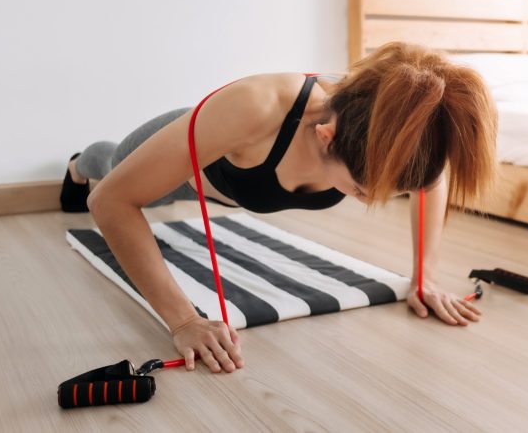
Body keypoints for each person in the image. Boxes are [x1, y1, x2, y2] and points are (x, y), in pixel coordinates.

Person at [60, 41, 498, 374]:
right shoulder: (257, 107)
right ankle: (79, 164)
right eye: (364, 190)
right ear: (325, 136)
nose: (373, 202)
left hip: (227, 181)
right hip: (192, 162)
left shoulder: (390, 126)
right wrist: (184, 322)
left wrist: (425, 276)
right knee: (112, 165)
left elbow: (430, 181)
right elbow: (112, 201)